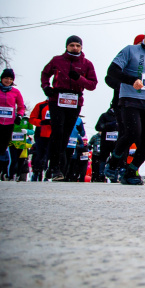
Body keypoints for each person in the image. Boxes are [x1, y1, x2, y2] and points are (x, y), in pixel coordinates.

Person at [105, 26, 145, 185]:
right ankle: (113, 162)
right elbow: (112, 71)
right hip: (129, 99)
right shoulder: (130, 50)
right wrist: (131, 80)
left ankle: (131, 171)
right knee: (133, 133)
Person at [41, 37, 98, 181]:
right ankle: (54, 166)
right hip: (57, 99)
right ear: (67, 46)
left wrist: (79, 78)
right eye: (72, 45)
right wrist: (46, 87)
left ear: (81, 47)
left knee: (66, 133)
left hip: (75, 100)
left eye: (77, 45)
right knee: (58, 131)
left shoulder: (87, 64)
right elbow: (45, 73)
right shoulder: (57, 60)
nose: (75, 48)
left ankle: (57, 167)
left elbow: (92, 85)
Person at [0, 69, 26, 178]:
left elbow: (21, 106)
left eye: (11, 79)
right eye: (6, 78)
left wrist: (19, 116)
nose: (8, 81)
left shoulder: (16, 92)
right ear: (2, 78)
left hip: (8, 123)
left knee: (2, 148)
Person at [29, 98, 51, 181]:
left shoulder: (60, 106)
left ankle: (47, 175)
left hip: (54, 135)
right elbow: (32, 119)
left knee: (50, 156)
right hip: (41, 134)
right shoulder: (41, 105)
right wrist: (41, 122)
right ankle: (36, 173)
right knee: (40, 155)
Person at [95, 106, 118, 182]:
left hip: (116, 142)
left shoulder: (121, 116)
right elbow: (98, 127)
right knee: (103, 158)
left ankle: (114, 176)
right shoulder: (104, 115)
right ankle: (101, 176)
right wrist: (110, 125)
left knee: (116, 158)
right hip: (106, 142)